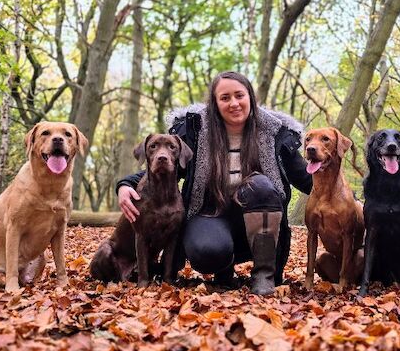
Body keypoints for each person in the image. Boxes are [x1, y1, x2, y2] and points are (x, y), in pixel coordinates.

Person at [116, 71, 312, 295]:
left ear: (250, 97)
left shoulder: (274, 134)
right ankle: (224, 269)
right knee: (205, 250)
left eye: (239, 95)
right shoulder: (197, 132)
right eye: (225, 98)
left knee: (262, 186)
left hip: (260, 224)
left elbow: (305, 177)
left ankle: (263, 275)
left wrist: (351, 201)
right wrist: (125, 185)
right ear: (215, 103)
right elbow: (165, 167)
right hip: (212, 214)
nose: (234, 103)